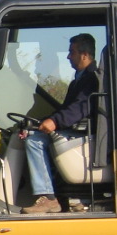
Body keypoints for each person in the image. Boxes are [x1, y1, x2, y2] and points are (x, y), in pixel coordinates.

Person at [20, 33, 99, 214]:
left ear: (85, 55)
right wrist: (39, 123)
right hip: (77, 130)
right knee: (33, 135)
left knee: (35, 141)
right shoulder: (78, 80)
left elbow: (80, 108)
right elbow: (66, 109)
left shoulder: (92, 79)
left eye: (72, 52)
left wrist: (55, 121)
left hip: (88, 134)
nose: (68, 56)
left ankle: (49, 198)